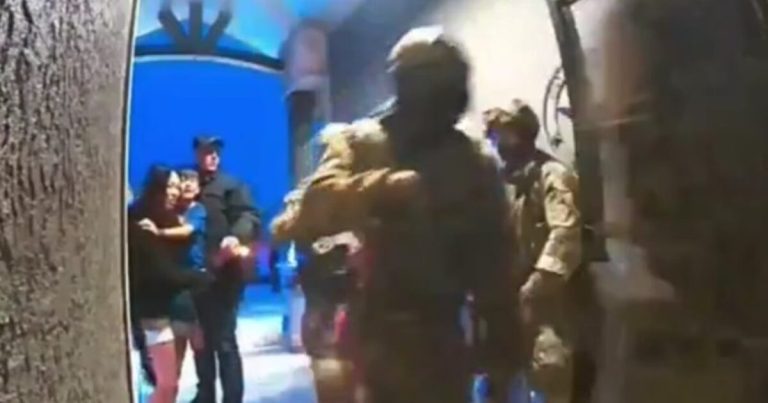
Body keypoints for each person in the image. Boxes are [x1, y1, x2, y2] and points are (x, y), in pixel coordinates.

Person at [271, 27, 517, 403]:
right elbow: (314, 205)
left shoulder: (474, 159)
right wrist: (383, 188)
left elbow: (496, 260)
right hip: (376, 333)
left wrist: (503, 349)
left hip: (443, 336)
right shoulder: (363, 141)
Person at [483, 100, 582, 403]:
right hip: (511, 305)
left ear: (522, 134)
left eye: (503, 136)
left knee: (550, 374)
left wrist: (535, 287)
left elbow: (565, 233)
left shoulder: (551, 175)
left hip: (548, 303)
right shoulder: (506, 182)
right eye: (494, 138)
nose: (498, 146)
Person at [128, 165, 212, 403]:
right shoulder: (140, 221)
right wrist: (200, 278)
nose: (176, 191)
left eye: (177, 186)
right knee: (165, 384)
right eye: (171, 186)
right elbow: (160, 273)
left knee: (169, 384)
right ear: (157, 188)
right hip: (150, 314)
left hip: (169, 310)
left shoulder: (169, 218)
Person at [191, 136, 261, 403]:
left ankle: (232, 398)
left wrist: (235, 235)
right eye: (207, 152)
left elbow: (249, 215)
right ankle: (205, 395)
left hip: (224, 277)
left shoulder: (231, 185)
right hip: (195, 277)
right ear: (197, 154)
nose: (212, 157)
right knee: (201, 343)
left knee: (224, 341)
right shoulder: (188, 184)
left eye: (216, 152)